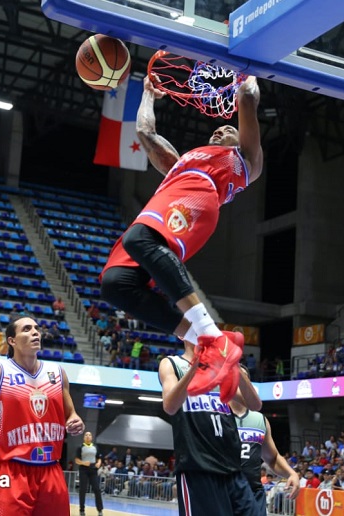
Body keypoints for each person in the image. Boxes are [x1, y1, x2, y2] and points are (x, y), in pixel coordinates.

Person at [100, 73, 263, 401]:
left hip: (199, 200)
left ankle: (211, 336)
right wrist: (148, 94)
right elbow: (146, 132)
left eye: (228, 128)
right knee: (115, 284)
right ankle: (211, 346)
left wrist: (245, 74)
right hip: (169, 199)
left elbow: (248, 98)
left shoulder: (246, 161)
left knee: (137, 240)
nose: (220, 129)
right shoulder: (182, 161)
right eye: (217, 128)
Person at [0, 316, 85, 515]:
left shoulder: (57, 373)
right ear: (12, 341)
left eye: (36, 328)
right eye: (26, 329)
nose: (35, 332)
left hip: (51, 469)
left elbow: (71, 414)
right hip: (13, 471)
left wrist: (75, 420)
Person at [158, 334, 262, 515]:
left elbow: (254, 404)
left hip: (231, 467)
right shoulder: (171, 364)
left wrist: (234, 362)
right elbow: (170, 406)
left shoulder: (219, 368)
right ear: (182, 334)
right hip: (198, 468)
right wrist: (195, 368)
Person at [228, 366, 299, 516]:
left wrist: (292, 474)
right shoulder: (216, 414)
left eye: (243, 379)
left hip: (252, 493)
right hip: (223, 492)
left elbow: (272, 458)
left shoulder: (260, 420)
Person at [75, 431, 104, 516]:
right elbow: (77, 460)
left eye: (89, 435)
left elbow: (99, 458)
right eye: (86, 435)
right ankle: (82, 510)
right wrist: (83, 463)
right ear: (84, 437)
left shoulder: (95, 447)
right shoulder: (80, 447)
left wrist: (99, 463)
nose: (88, 436)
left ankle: (100, 510)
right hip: (83, 470)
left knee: (97, 489)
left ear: (91, 437)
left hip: (93, 470)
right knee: (82, 490)